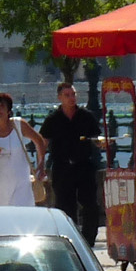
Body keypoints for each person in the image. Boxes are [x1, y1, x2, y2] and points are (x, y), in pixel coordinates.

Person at [39, 82, 103, 246]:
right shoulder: (53, 119)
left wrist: (100, 143)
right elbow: (43, 142)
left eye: (73, 94)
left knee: (90, 204)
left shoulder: (85, 116)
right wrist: (40, 165)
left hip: (83, 165)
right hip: (62, 166)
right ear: (60, 97)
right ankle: (70, 240)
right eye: (67, 95)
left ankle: (88, 241)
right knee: (65, 206)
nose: (71, 98)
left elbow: (97, 137)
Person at [0, 92, 46, 208]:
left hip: (21, 186)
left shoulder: (19, 124)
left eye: (2, 106)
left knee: (22, 220)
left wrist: (41, 164)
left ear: (9, 110)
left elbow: (39, 140)